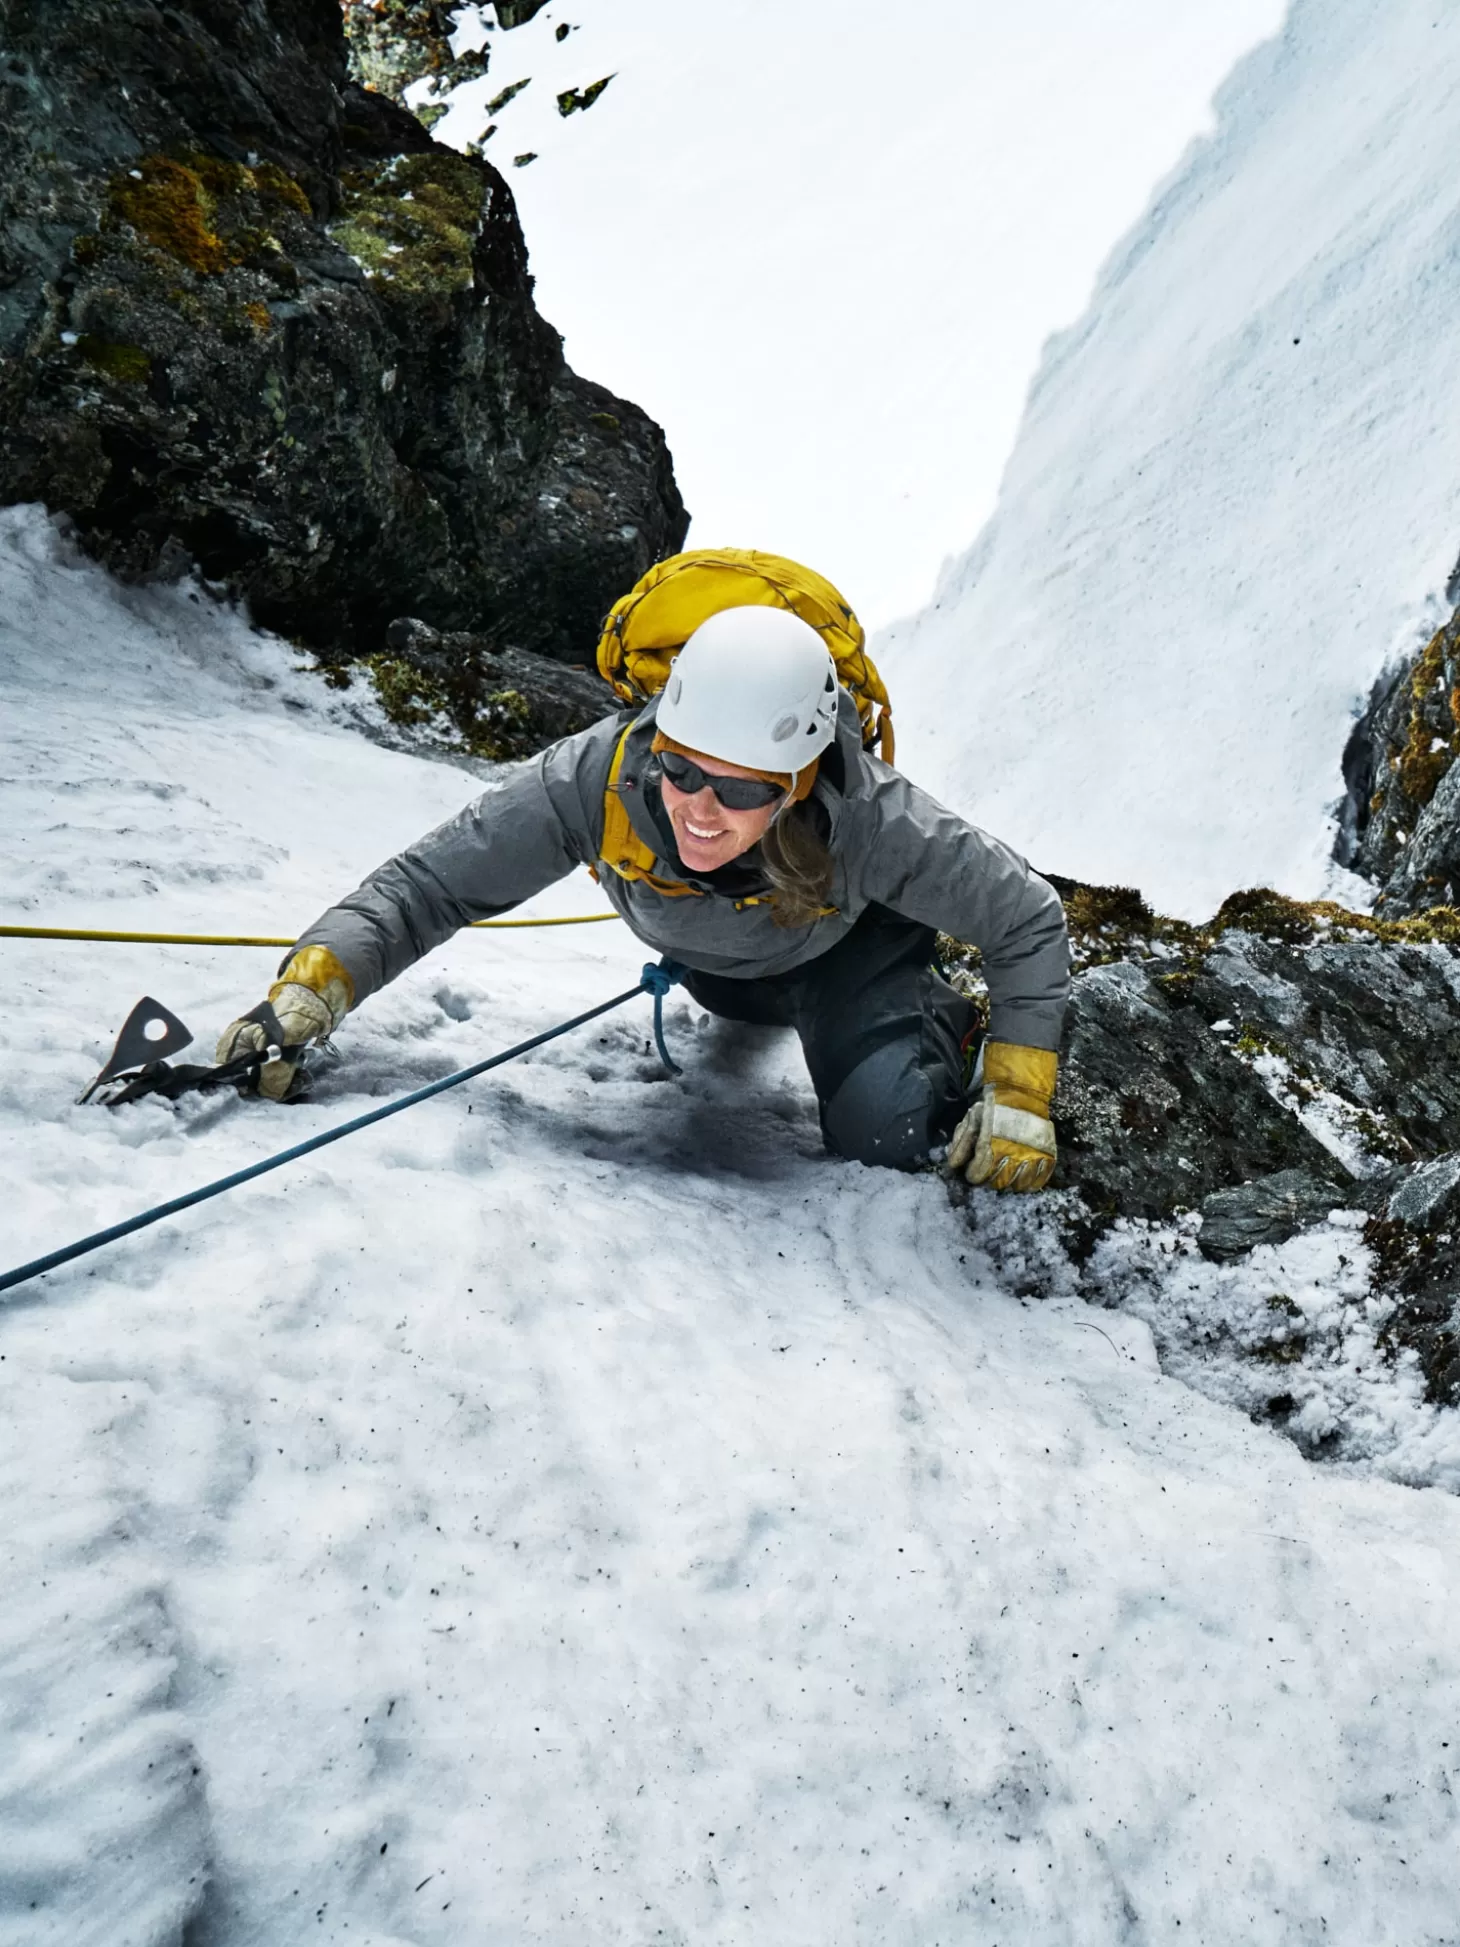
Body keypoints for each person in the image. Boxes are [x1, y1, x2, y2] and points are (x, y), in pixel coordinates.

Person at [217, 588, 1070, 1190]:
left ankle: (937, 1018)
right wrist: (314, 985)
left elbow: (1026, 918)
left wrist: (1020, 1087)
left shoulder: (875, 818)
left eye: (741, 790)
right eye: (681, 770)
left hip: (851, 963)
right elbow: (428, 887)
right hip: (715, 967)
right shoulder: (593, 778)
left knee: (890, 1137)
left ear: (800, 780)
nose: (700, 809)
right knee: (737, 981)